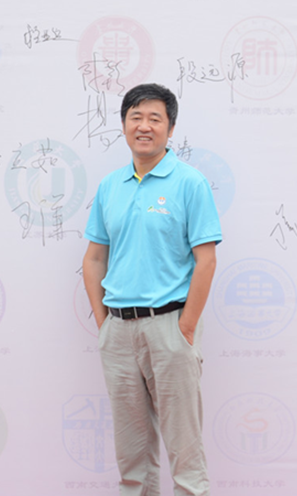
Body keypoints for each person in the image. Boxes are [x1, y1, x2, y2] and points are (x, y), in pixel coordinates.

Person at [83, 83, 222, 496]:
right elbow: (94, 258)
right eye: (136, 117)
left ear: (170, 128)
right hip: (118, 331)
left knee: (185, 452)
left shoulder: (190, 183)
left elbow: (206, 260)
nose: (144, 126)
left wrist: (186, 327)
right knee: (132, 457)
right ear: (124, 124)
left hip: (170, 326)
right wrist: (104, 324)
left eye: (154, 119)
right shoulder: (110, 186)